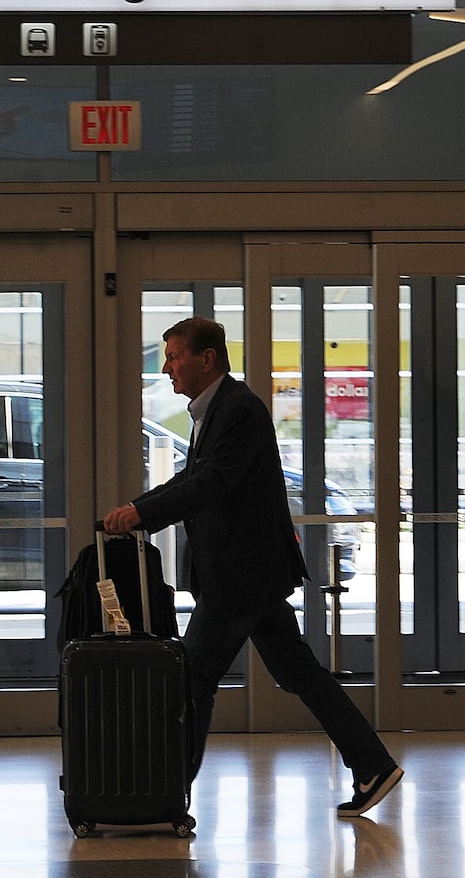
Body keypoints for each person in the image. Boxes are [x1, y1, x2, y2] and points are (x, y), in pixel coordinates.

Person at [102, 317, 403, 819]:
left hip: (238, 577)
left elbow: (213, 483)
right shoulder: (214, 412)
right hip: (250, 575)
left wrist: (141, 514)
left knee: (193, 676)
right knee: (300, 674)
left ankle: (168, 796)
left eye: (175, 356)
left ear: (208, 358)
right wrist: (137, 509)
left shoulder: (238, 409)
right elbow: (191, 477)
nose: (167, 367)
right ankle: (372, 764)